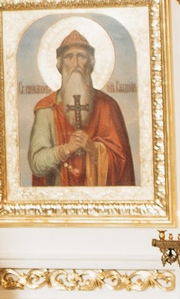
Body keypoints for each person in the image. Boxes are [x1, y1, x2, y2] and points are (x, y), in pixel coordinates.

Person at [27, 26, 136, 186]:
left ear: (90, 64)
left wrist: (94, 150)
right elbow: (36, 163)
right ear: (60, 64)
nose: (76, 63)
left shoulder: (108, 106)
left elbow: (122, 163)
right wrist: (66, 150)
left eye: (81, 56)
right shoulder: (47, 108)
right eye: (69, 57)